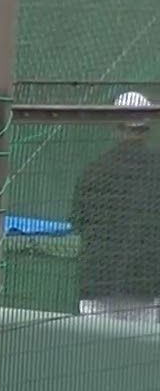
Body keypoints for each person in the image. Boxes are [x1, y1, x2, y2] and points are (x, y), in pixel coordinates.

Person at [71, 90, 160, 323]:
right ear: (147, 127)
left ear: (116, 127)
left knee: (93, 345)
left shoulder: (94, 172)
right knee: (140, 346)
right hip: (146, 283)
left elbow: (79, 221)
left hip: (99, 280)